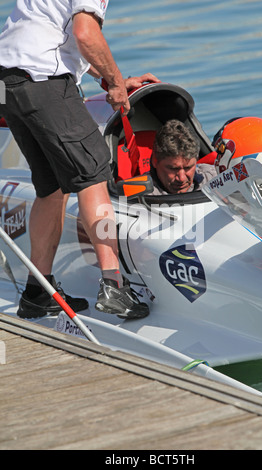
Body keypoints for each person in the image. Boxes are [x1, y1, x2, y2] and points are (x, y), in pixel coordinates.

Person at [0, 0, 160, 320]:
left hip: (8, 82)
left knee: (52, 186)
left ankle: (37, 292)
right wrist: (115, 82)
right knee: (94, 172)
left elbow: (50, 31)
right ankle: (114, 286)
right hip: (43, 79)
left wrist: (110, 80)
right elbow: (85, 34)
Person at [149, 119, 217, 195]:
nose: (181, 178)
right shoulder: (138, 196)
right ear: (155, 161)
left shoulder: (216, 179)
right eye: (173, 169)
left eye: (188, 168)